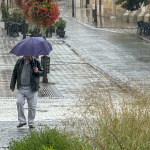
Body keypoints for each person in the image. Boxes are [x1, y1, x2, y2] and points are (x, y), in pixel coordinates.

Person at [10, 56, 43, 128]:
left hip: (32, 88)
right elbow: (14, 73)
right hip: (21, 87)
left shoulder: (35, 62)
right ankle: (22, 121)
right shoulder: (19, 62)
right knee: (19, 102)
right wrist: (12, 85)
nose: (26, 55)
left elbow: (42, 73)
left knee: (32, 105)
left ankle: (31, 122)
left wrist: (37, 71)